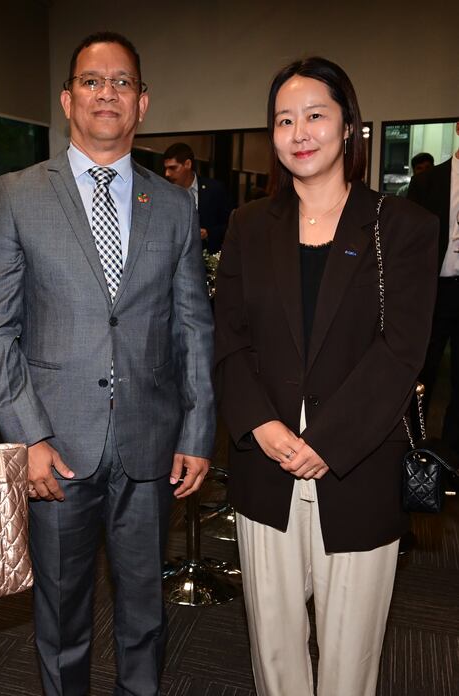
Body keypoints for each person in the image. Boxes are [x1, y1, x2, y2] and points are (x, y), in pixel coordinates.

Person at [0, 31, 215, 696]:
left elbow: (193, 324)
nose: (108, 92)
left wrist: (197, 432)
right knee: (60, 617)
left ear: (142, 104)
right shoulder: (15, 195)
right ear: (68, 99)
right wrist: (31, 437)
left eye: (123, 82)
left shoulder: (171, 203)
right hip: (57, 450)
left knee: (145, 616)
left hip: (151, 446)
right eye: (92, 81)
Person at [214, 57, 438, 696]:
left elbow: (402, 353)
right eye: (285, 120)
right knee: (274, 649)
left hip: (359, 464)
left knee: (349, 655)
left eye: (316, 115)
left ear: (349, 127)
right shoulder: (248, 227)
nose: (300, 131)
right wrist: (259, 423)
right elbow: (226, 339)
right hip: (266, 463)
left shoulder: (402, 228)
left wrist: (327, 442)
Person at [408, 126, 459, 456]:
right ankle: (413, 450)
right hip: (434, 290)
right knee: (420, 372)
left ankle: (453, 456)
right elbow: (408, 242)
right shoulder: (429, 181)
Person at [163, 141, 231, 253]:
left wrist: (208, 233)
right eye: (166, 169)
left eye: (172, 168)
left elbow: (230, 225)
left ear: (188, 164)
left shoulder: (214, 189)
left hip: (208, 258)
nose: (167, 174)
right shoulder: (165, 193)